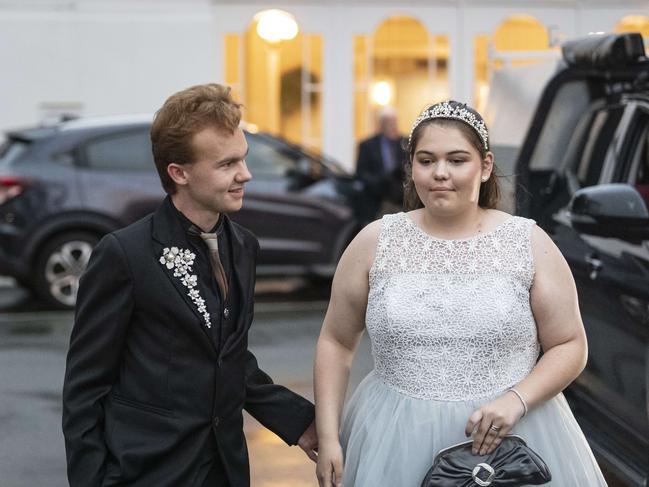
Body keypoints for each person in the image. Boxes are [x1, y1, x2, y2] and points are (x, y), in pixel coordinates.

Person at [314, 100, 607, 486]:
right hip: (394, 438)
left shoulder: (528, 243)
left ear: (484, 166)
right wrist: (329, 436)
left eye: (456, 160)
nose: (440, 173)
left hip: (512, 436)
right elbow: (336, 341)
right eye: (426, 160)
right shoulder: (374, 242)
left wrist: (517, 400)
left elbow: (570, 344)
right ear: (411, 168)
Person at [62, 83, 317, 487]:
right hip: (146, 470)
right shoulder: (124, 254)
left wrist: (300, 422)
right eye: (226, 164)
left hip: (225, 469)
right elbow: (84, 389)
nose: (245, 175)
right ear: (178, 173)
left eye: (244, 159)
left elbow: (227, 359)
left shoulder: (244, 245)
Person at [355, 107, 407, 223]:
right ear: (381, 124)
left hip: (401, 202)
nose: (393, 126)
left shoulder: (405, 143)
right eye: (389, 122)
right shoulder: (367, 145)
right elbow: (361, 174)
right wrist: (380, 183)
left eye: (395, 122)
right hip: (376, 202)